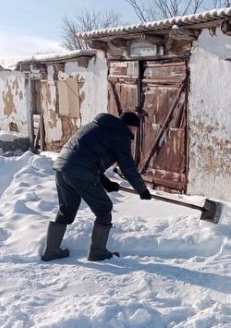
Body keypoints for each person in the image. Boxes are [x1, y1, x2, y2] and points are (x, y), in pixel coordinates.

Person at [41, 111, 152, 262]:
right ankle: (98, 252)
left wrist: (105, 182)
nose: (134, 132)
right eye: (135, 129)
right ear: (129, 126)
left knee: (66, 209)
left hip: (62, 167)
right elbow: (128, 167)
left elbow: (86, 155)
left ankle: (51, 251)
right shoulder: (120, 134)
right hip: (80, 172)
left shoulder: (96, 126)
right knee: (104, 208)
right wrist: (142, 190)